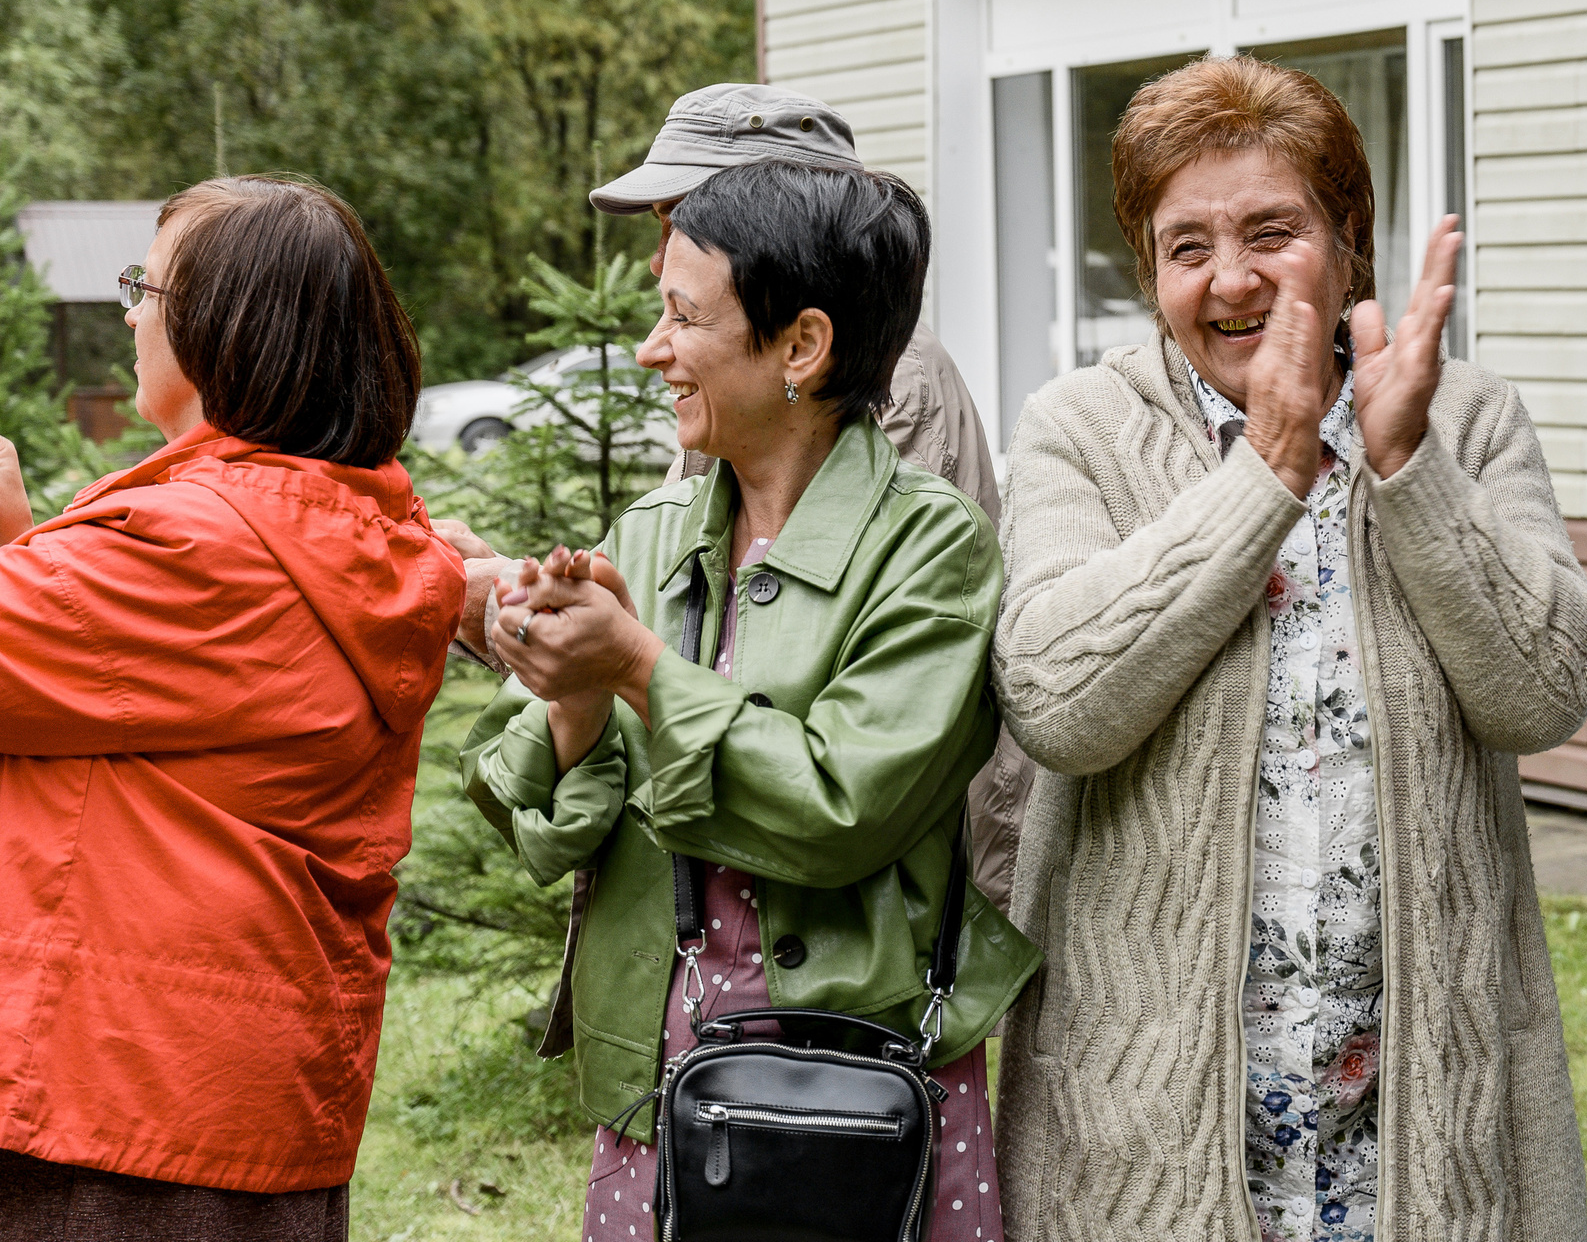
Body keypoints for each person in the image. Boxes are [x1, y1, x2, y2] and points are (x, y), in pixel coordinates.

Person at [991, 55, 1587, 1242]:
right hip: (1154, 1115)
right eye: (1186, 246)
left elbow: (1546, 691)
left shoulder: (1464, 419)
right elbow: (1056, 703)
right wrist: (1268, 469)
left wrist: (1408, 470)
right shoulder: (1080, 429)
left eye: (1271, 230)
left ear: (1347, 242)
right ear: (1149, 268)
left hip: (1420, 1118)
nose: (1231, 279)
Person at [457, 159, 1037, 1242]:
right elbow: (537, 824)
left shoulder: (932, 547)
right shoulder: (648, 533)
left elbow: (840, 808)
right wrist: (575, 703)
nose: (650, 348)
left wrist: (634, 667)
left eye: (682, 315)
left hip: (851, 1087)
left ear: (801, 347)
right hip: (658, 1074)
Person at [0, 176, 465, 1239]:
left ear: (224, 328)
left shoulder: (201, 553)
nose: (128, 312)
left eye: (145, 286)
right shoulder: (353, 529)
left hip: (121, 1124)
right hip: (245, 1110)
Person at [458, 79, 1032, 913]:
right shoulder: (730, 416)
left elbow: (789, 705)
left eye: (683, 215)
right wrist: (542, 623)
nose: (662, 257)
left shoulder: (882, 395)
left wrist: (613, 657)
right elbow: (673, 632)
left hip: (845, 959)